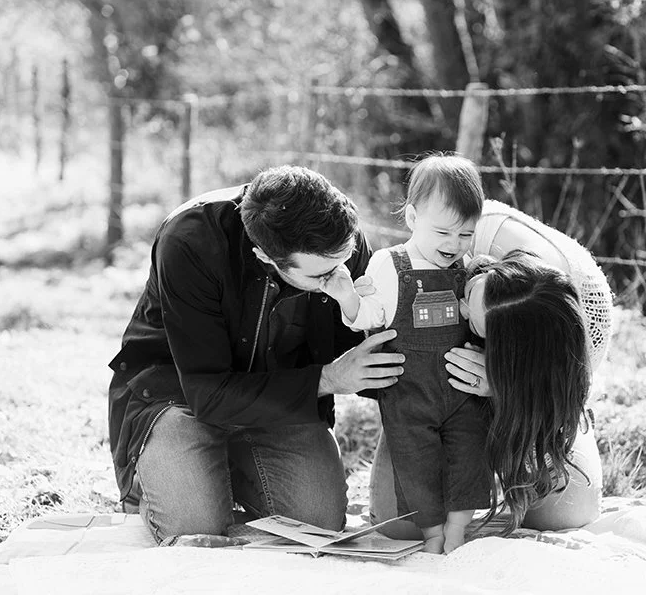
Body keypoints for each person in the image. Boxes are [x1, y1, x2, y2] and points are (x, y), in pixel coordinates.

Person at [107, 165, 405, 543]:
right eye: (323, 277)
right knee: (194, 532)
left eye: (344, 261)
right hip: (179, 396)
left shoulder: (338, 243)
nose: (340, 277)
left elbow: (370, 352)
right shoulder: (190, 239)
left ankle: (218, 476)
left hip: (279, 399)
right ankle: (157, 479)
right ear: (265, 255)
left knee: (319, 522)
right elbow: (207, 392)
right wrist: (329, 378)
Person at [370, 199, 613, 536]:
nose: (461, 310)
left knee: (563, 515)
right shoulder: (464, 235)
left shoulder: (585, 331)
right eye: (470, 293)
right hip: (433, 371)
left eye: (477, 324)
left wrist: (500, 388)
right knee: (398, 524)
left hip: (526, 390)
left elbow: (551, 402)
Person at [321, 155, 491, 554]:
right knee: (416, 463)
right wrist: (347, 297)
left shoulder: (468, 269)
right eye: (444, 232)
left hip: (462, 390)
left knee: (469, 455)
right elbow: (369, 315)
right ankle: (433, 532)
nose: (454, 245)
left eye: (466, 235)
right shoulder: (390, 264)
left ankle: (458, 527)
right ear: (413, 218)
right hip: (408, 391)